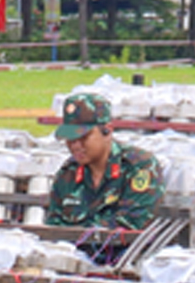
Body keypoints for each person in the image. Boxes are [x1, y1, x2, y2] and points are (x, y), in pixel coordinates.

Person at [44, 92, 164, 231]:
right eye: (70, 138)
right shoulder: (68, 173)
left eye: (83, 137)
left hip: (123, 251)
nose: (75, 145)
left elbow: (132, 222)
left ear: (107, 131)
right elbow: (53, 227)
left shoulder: (139, 166)